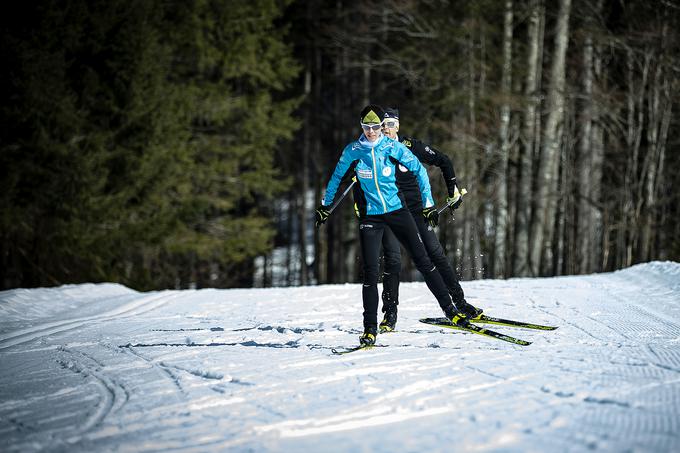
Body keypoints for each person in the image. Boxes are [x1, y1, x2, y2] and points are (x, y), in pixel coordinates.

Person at [315, 104, 470, 346]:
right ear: (362, 127)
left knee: (424, 260)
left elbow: (419, 169)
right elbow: (337, 177)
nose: (372, 132)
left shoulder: (392, 146)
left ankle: (451, 311)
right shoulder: (353, 151)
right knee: (370, 273)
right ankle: (370, 329)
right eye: (367, 127)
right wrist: (325, 205)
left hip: (397, 212)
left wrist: (428, 204)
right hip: (372, 218)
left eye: (376, 127)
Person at [365, 107, 482, 333]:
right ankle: (390, 315)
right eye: (383, 125)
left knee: (435, 253)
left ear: (397, 126)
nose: (387, 130)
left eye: (391, 125)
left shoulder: (410, 147)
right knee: (393, 260)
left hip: (416, 212)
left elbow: (444, 161)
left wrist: (452, 191)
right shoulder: (373, 152)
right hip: (390, 212)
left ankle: (460, 303)